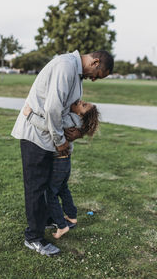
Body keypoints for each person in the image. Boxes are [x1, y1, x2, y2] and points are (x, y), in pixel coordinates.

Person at [11, 50, 114, 256]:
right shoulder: (65, 66)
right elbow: (52, 110)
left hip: (49, 140)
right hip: (36, 137)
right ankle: (33, 238)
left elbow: (70, 112)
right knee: (36, 189)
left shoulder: (76, 74)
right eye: (97, 75)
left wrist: (75, 135)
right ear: (94, 62)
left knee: (48, 185)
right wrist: (60, 142)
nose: (93, 79)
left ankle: (48, 220)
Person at [23, 99, 100, 239]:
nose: (80, 101)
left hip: (58, 162)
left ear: (81, 115)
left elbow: (49, 125)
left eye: (83, 105)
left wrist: (30, 115)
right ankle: (71, 216)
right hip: (65, 162)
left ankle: (61, 225)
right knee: (63, 188)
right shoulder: (77, 121)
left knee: (50, 193)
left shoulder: (71, 119)